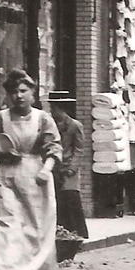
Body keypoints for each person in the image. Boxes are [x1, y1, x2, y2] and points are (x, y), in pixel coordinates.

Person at [0, 70, 61, 270]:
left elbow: (54, 147)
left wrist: (47, 168)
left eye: (23, 91)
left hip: (36, 178)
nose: (18, 96)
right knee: (7, 229)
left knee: (34, 232)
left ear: (33, 93)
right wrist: (0, 153)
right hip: (6, 177)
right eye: (13, 92)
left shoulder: (42, 119)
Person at [47, 97, 90, 240]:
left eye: (54, 108)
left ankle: (78, 232)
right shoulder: (50, 125)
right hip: (55, 168)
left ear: (61, 109)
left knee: (71, 199)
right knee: (58, 200)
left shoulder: (74, 125)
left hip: (69, 169)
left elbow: (79, 149)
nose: (52, 111)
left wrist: (72, 168)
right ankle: (61, 233)